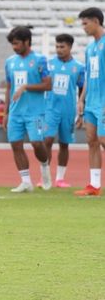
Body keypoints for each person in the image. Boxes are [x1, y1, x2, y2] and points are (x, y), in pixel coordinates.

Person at [3, 26, 52, 193]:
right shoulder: (10, 62)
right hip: (15, 112)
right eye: (12, 44)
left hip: (36, 112)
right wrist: (6, 112)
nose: (14, 47)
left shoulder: (40, 60)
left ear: (26, 42)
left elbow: (48, 85)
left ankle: (45, 167)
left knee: (37, 143)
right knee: (16, 145)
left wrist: (25, 87)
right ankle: (25, 182)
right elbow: (9, 88)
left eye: (17, 44)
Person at [44, 34, 85, 189]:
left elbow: (82, 89)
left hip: (68, 111)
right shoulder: (49, 65)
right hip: (50, 109)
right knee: (47, 140)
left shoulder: (79, 67)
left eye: (62, 47)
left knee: (64, 144)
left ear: (70, 47)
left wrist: (82, 112)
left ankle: (60, 179)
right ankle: (45, 176)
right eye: (57, 47)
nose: (59, 50)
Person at [74, 7, 105, 196]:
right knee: (91, 141)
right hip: (92, 102)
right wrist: (81, 99)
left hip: (103, 101)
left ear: (96, 21)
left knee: (103, 139)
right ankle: (94, 185)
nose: (83, 27)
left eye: (85, 23)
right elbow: (88, 76)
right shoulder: (90, 48)